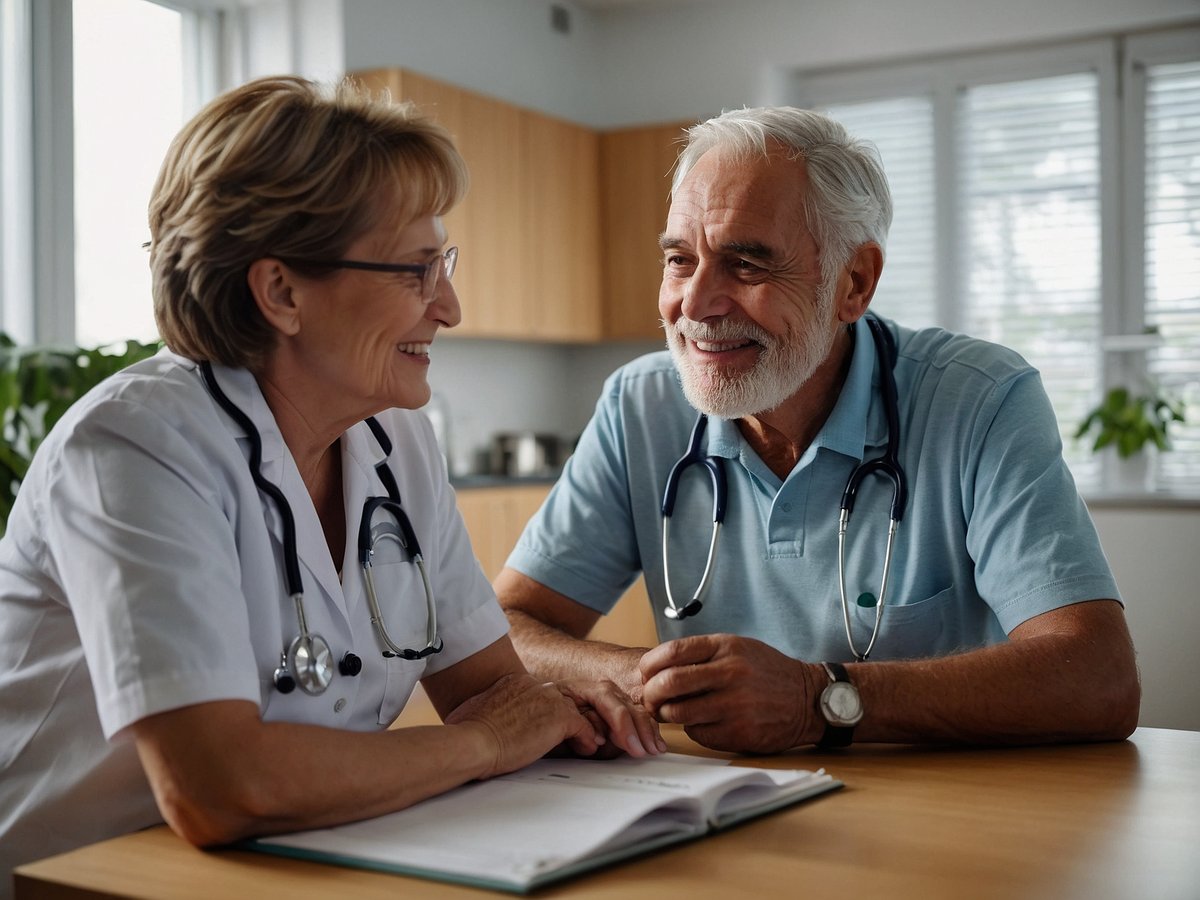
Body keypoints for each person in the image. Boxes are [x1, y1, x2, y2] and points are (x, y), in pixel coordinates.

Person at [0, 75, 662, 891]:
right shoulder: (135, 447)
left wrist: (569, 713)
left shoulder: (395, 441)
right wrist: (487, 743)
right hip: (84, 875)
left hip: (303, 858)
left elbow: (491, 689)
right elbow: (220, 788)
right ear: (281, 292)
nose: (448, 306)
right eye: (415, 272)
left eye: (443, 264)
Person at [496, 106, 1141, 754]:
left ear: (853, 283)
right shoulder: (640, 407)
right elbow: (507, 628)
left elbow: (1098, 677)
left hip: (944, 809)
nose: (694, 305)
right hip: (722, 801)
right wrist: (663, 681)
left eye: (746, 265)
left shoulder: (980, 400)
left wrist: (820, 699)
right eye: (679, 260)